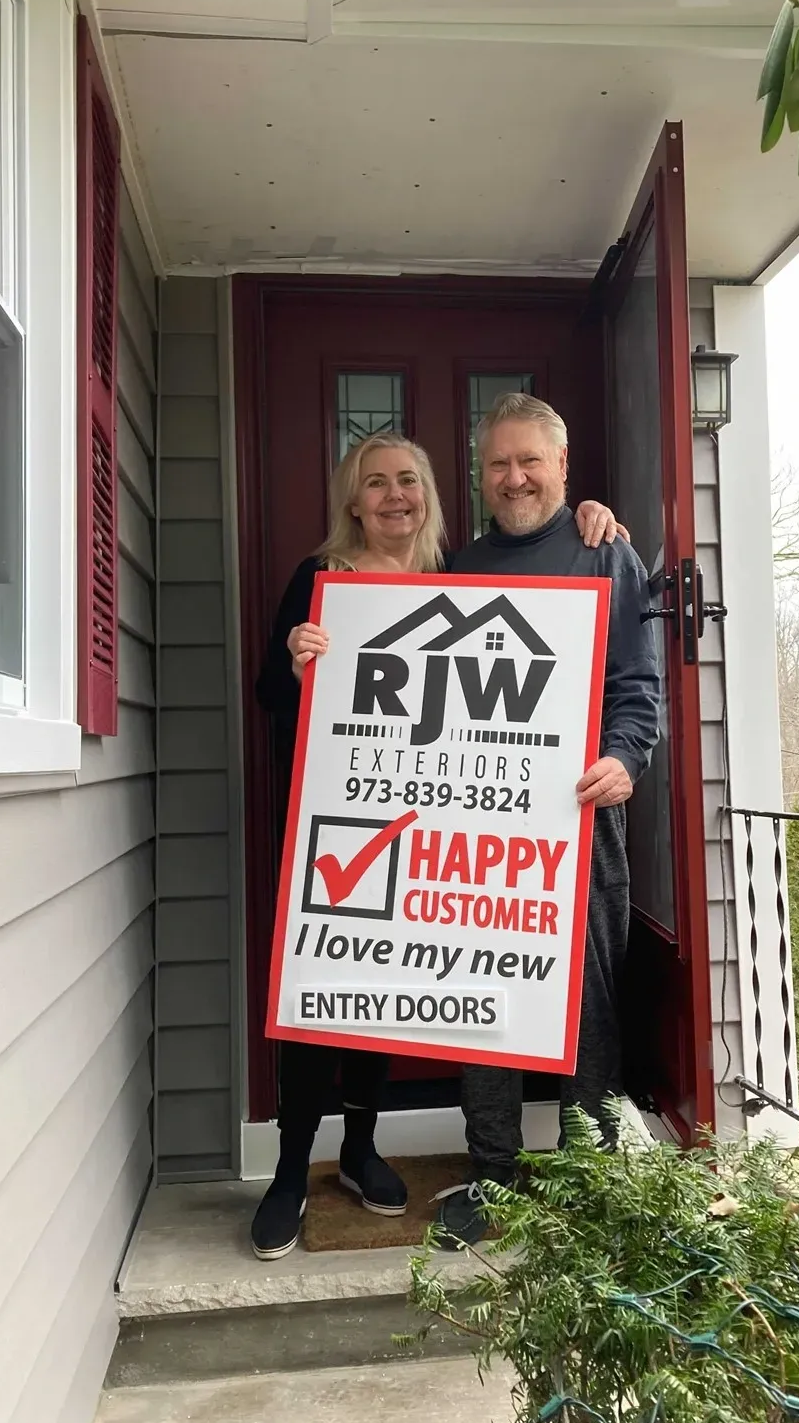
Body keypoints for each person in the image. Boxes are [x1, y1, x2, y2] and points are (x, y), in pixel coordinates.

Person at [251, 429, 630, 1260]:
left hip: (444, 834)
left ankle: (358, 1151)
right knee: (326, 999)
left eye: (409, 481)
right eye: (376, 483)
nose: (395, 495)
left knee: (390, 997)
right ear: (354, 500)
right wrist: (296, 655)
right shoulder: (324, 581)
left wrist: (592, 516)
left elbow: (549, 590)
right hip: (347, 827)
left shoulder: (451, 576)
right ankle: (288, 1171)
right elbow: (272, 696)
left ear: (429, 494)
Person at [431, 393, 661, 1247]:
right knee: (480, 995)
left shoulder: (608, 556)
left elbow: (638, 688)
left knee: (587, 1006)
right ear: (481, 473)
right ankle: (491, 1176)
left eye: (532, 461)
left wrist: (625, 759)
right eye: (499, 463)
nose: (515, 476)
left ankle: (588, 1178)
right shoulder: (460, 570)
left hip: (581, 820)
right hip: (480, 833)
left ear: (564, 468)